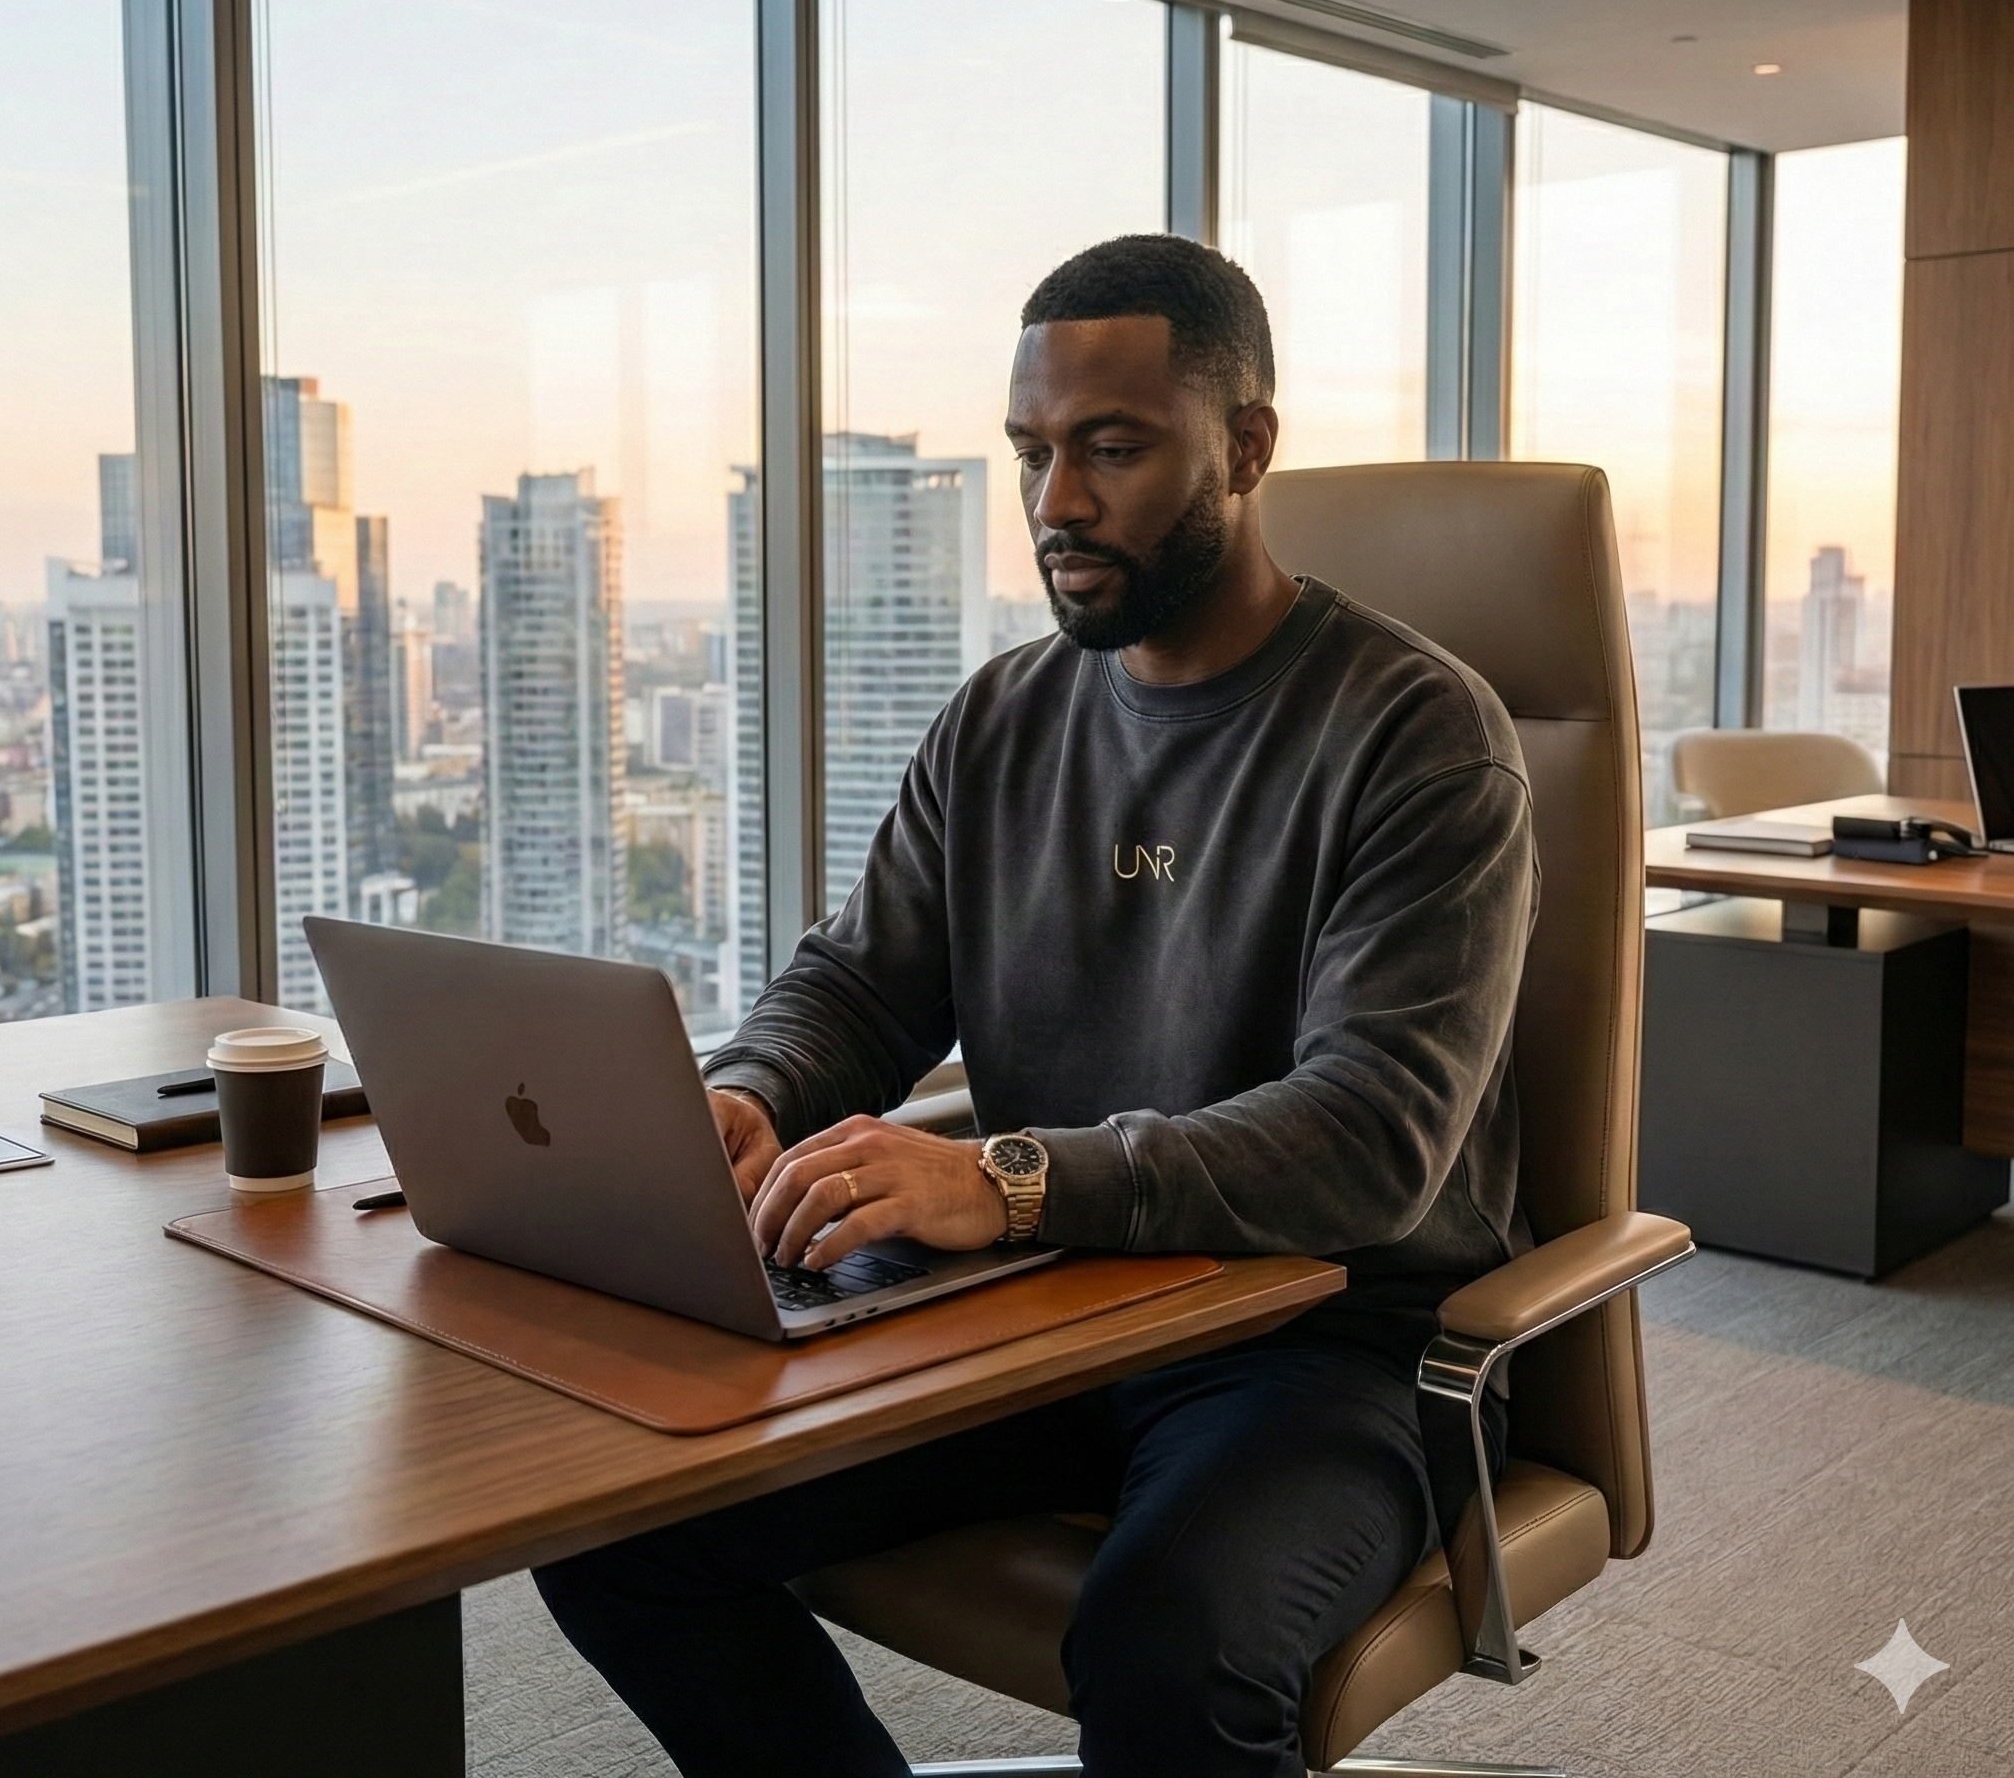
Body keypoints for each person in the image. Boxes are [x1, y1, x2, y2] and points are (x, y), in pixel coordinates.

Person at [535, 233, 1537, 1778]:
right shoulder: (1003, 714)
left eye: (1112, 449)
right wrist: (750, 1092)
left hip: (1319, 1342)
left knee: (1166, 1646)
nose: (1056, 503)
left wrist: (1003, 1182)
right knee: (613, 1518)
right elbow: (861, 984)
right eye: (1032, 453)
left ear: (1248, 447)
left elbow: (1370, 1141)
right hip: (1034, 1312)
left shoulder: (1419, 736)